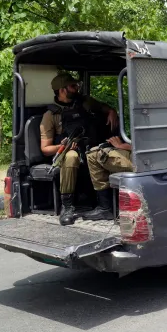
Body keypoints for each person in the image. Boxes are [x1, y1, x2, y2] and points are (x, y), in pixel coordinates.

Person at [39, 73, 119, 225]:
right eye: (73, 86)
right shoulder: (51, 115)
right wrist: (65, 145)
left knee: (106, 153)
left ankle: (106, 205)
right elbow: (46, 149)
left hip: (90, 147)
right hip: (67, 152)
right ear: (62, 90)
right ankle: (67, 207)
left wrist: (111, 112)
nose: (76, 88)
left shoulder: (85, 102)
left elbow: (104, 108)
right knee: (71, 157)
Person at [85, 136, 133, 220]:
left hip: (138, 157)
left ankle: (105, 207)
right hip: (138, 154)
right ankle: (110, 205)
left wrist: (121, 145)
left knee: (92, 154)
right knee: (100, 149)